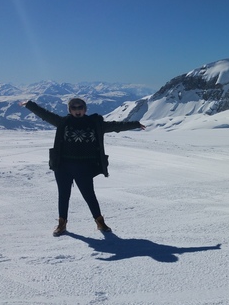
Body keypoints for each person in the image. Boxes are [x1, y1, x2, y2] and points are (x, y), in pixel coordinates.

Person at [20, 98, 145, 236]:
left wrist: (135, 124)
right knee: (63, 195)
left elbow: (115, 126)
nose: (77, 110)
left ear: (85, 109)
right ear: (70, 110)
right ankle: (62, 223)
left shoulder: (95, 124)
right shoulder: (63, 123)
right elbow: (45, 115)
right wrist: (30, 105)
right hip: (63, 167)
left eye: (80, 107)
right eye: (74, 108)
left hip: (84, 168)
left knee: (89, 195)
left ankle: (100, 222)